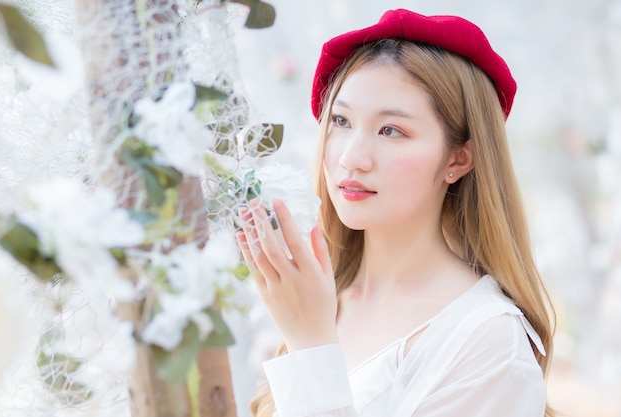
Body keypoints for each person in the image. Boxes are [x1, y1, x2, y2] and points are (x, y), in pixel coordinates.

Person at [236, 8, 556, 417]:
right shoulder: (317, 295)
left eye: (391, 130)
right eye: (341, 120)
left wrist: (310, 344)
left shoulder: (487, 342)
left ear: (459, 158)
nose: (352, 158)